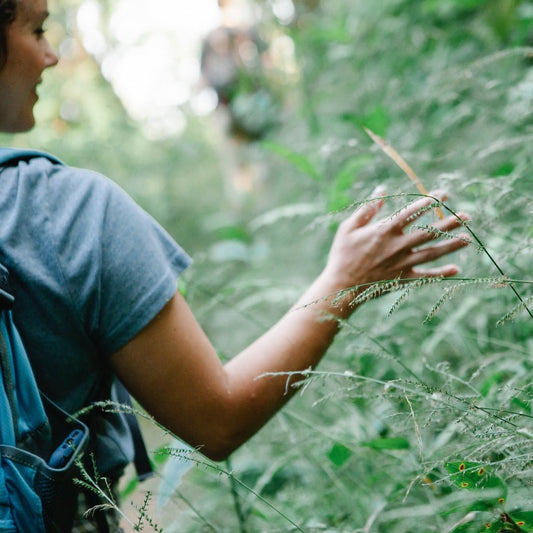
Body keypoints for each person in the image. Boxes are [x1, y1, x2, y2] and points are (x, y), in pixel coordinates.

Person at [0, 0, 470, 530]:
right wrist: (345, 280)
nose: (51, 55)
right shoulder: (67, 211)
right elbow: (216, 420)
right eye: (37, 29)